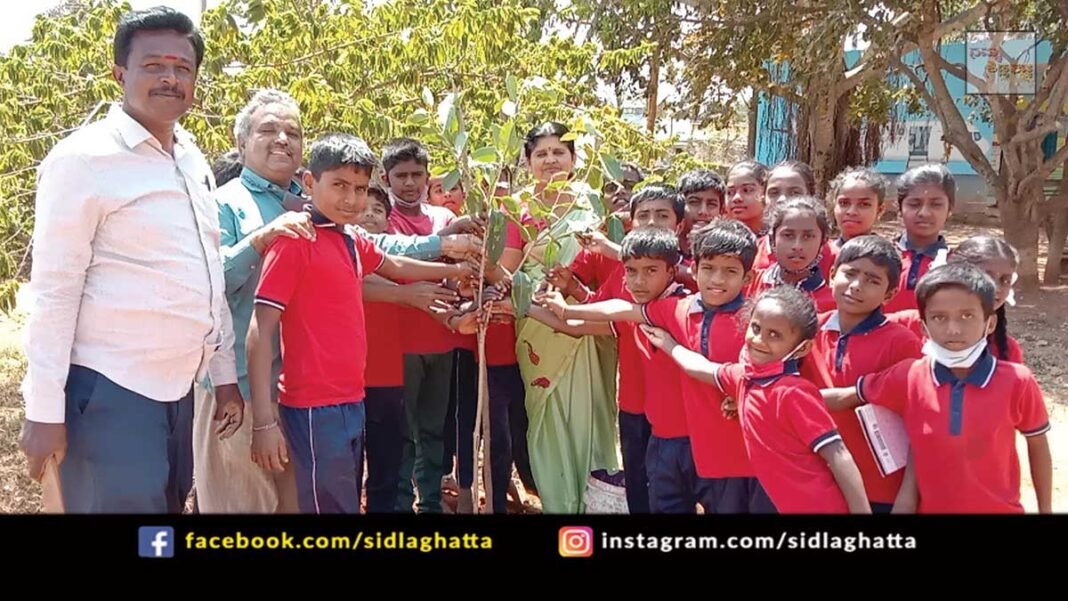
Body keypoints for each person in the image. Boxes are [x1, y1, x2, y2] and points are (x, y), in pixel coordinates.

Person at [20, 6, 242, 513]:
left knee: (160, 525)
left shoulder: (191, 159)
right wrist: (44, 409)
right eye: (154, 65)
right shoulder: (84, 159)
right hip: (109, 393)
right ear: (120, 73)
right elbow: (55, 289)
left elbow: (207, 271)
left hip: (179, 390)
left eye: (182, 68)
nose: (170, 78)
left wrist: (224, 376)